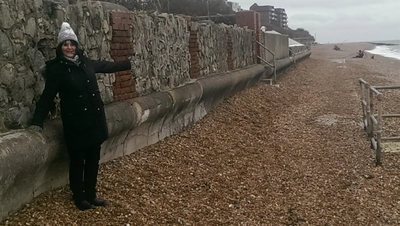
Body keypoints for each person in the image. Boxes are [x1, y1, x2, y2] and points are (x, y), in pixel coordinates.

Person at [29, 22, 132, 211]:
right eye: (65, 44)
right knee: (78, 161)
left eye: (72, 44)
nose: (69, 47)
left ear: (76, 45)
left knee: (93, 159)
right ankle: (79, 196)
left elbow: (106, 66)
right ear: (60, 47)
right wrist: (37, 121)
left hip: (94, 120)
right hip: (76, 122)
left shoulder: (85, 62)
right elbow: (47, 96)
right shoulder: (57, 70)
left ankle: (91, 194)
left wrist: (126, 63)